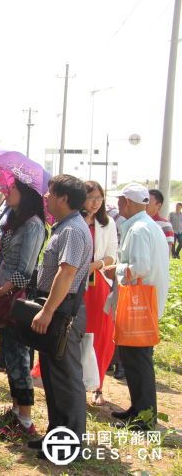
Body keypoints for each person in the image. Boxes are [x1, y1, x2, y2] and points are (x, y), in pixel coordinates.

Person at [28, 175, 93, 458]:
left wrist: (48, 310)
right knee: (54, 377)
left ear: (64, 198)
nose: (46, 197)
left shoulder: (73, 230)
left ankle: (69, 445)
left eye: (50, 193)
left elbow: (67, 273)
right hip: (56, 307)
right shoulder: (64, 226)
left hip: (63, 310)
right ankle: (55, 436)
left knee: (66, 378)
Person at [0, 180, 46, 439]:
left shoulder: (33, 225)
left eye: (13, 189)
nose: (7, 193)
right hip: (5, 295)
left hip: (17, 299)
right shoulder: (14, 219)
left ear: (26, 194)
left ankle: (25, 420)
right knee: (10, 356)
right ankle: (16, 411)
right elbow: (2, 255)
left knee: (19, 357)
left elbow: (25, 272)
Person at [109, 183, 170, 430]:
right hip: (146, 304)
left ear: (128, 202)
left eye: (120, 201)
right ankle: (138, 409)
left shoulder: (138, 229)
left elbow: (140, 268)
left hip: (140, 306)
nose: (119, 205)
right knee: (134, 360)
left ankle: (144, 418)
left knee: (138, 361)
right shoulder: (147, 225)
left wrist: (117, 269)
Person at [81, 181, 118, 406]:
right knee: (75, 332)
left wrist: (95, 265)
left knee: (100, 335)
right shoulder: (74, 220)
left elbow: (112, 256)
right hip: (75, 283)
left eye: (99, 198)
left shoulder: (107, 223)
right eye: (91, 197)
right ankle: (75, 380)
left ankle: (98, 385)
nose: (95, 203)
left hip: (97, 285)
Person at [147, 189, 174, 257]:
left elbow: (167, 253)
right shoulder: (138, 222)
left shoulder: (165, 225)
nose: (145, 204)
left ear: (158, 205)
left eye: (148, 202)